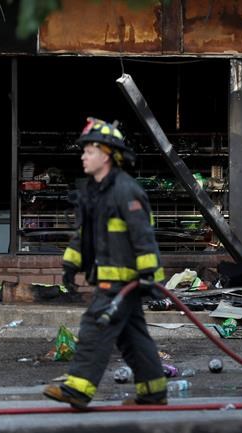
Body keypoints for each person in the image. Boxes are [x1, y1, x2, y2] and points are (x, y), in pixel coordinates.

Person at [43, 118, 167, 409]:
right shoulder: (94, 192)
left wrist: (149, 274)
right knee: (132, 337)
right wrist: (70, 265)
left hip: (124, 282)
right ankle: (153, 392)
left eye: (89, 151)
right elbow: (85, 235)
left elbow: (143, 236)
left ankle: (78, 389)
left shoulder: (126, 190)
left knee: (95, 327)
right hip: (111, 280)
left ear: (106, 154)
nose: (83, 156)